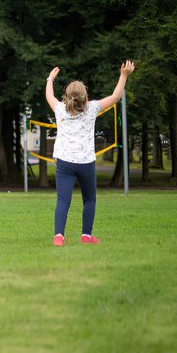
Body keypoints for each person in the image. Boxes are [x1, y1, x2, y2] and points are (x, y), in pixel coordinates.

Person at [46, 61, 135, 247]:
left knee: (63, 200)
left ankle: (58, 237)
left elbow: (49, 95)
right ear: (85, 98)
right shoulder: (92, 108)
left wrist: (50, 79)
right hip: (85, 162)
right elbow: (115, 96)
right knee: (89, 199)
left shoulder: (60, 109)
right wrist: (124, 75)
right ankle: (86, 236)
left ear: (67, 98)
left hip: (65, 162)